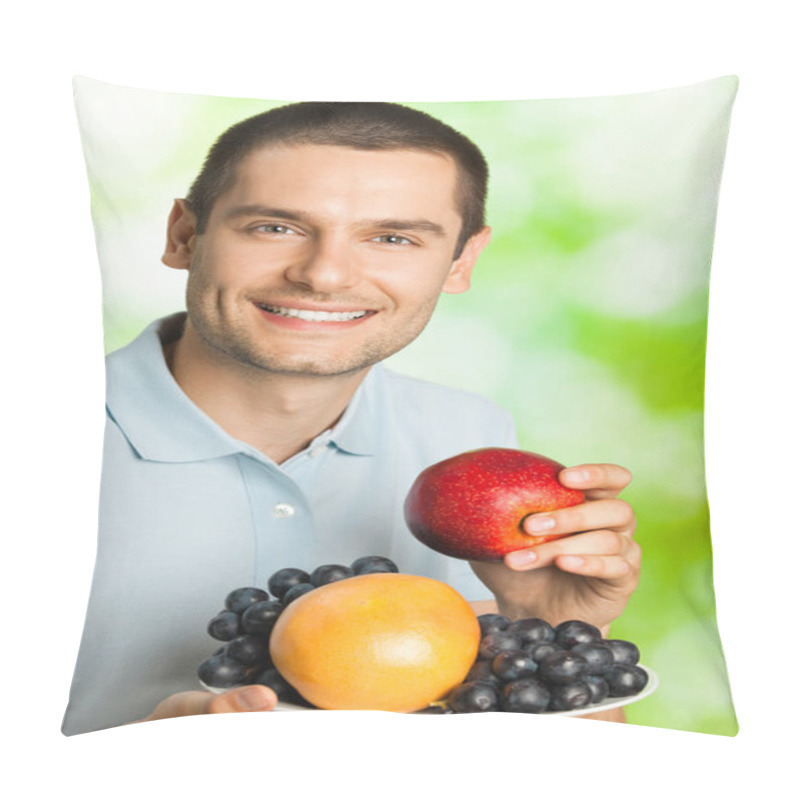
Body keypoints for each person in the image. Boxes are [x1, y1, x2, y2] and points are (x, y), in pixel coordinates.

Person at [62, 102, 639, 735]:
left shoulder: (468, 433)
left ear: (462, 261)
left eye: (393, 238)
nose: (324, 274)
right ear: (183, 235)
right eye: (274, 227)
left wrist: (548, 629)